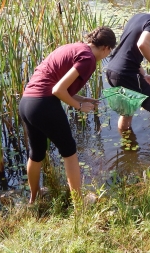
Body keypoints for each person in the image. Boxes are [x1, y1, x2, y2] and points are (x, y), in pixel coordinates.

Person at [19, 26, 116, 203]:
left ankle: (34, 198)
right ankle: (79, 204)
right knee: (69, 151)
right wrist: (79, 106)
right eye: (108, 53)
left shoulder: (73, 48)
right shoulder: (88, 59)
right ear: (106, 48)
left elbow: (57, 86)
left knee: (37, 152)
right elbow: (58, 90)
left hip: (27, 102)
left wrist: (83, 98)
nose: (105, 57)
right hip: (44, 104)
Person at [105, 0, 150, 148]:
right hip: (126, 74)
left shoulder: (137, 17)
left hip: (112, 70)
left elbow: (128, 50)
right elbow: (142, 44)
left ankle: (127, 146)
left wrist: (143, 75)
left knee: (128, 108)